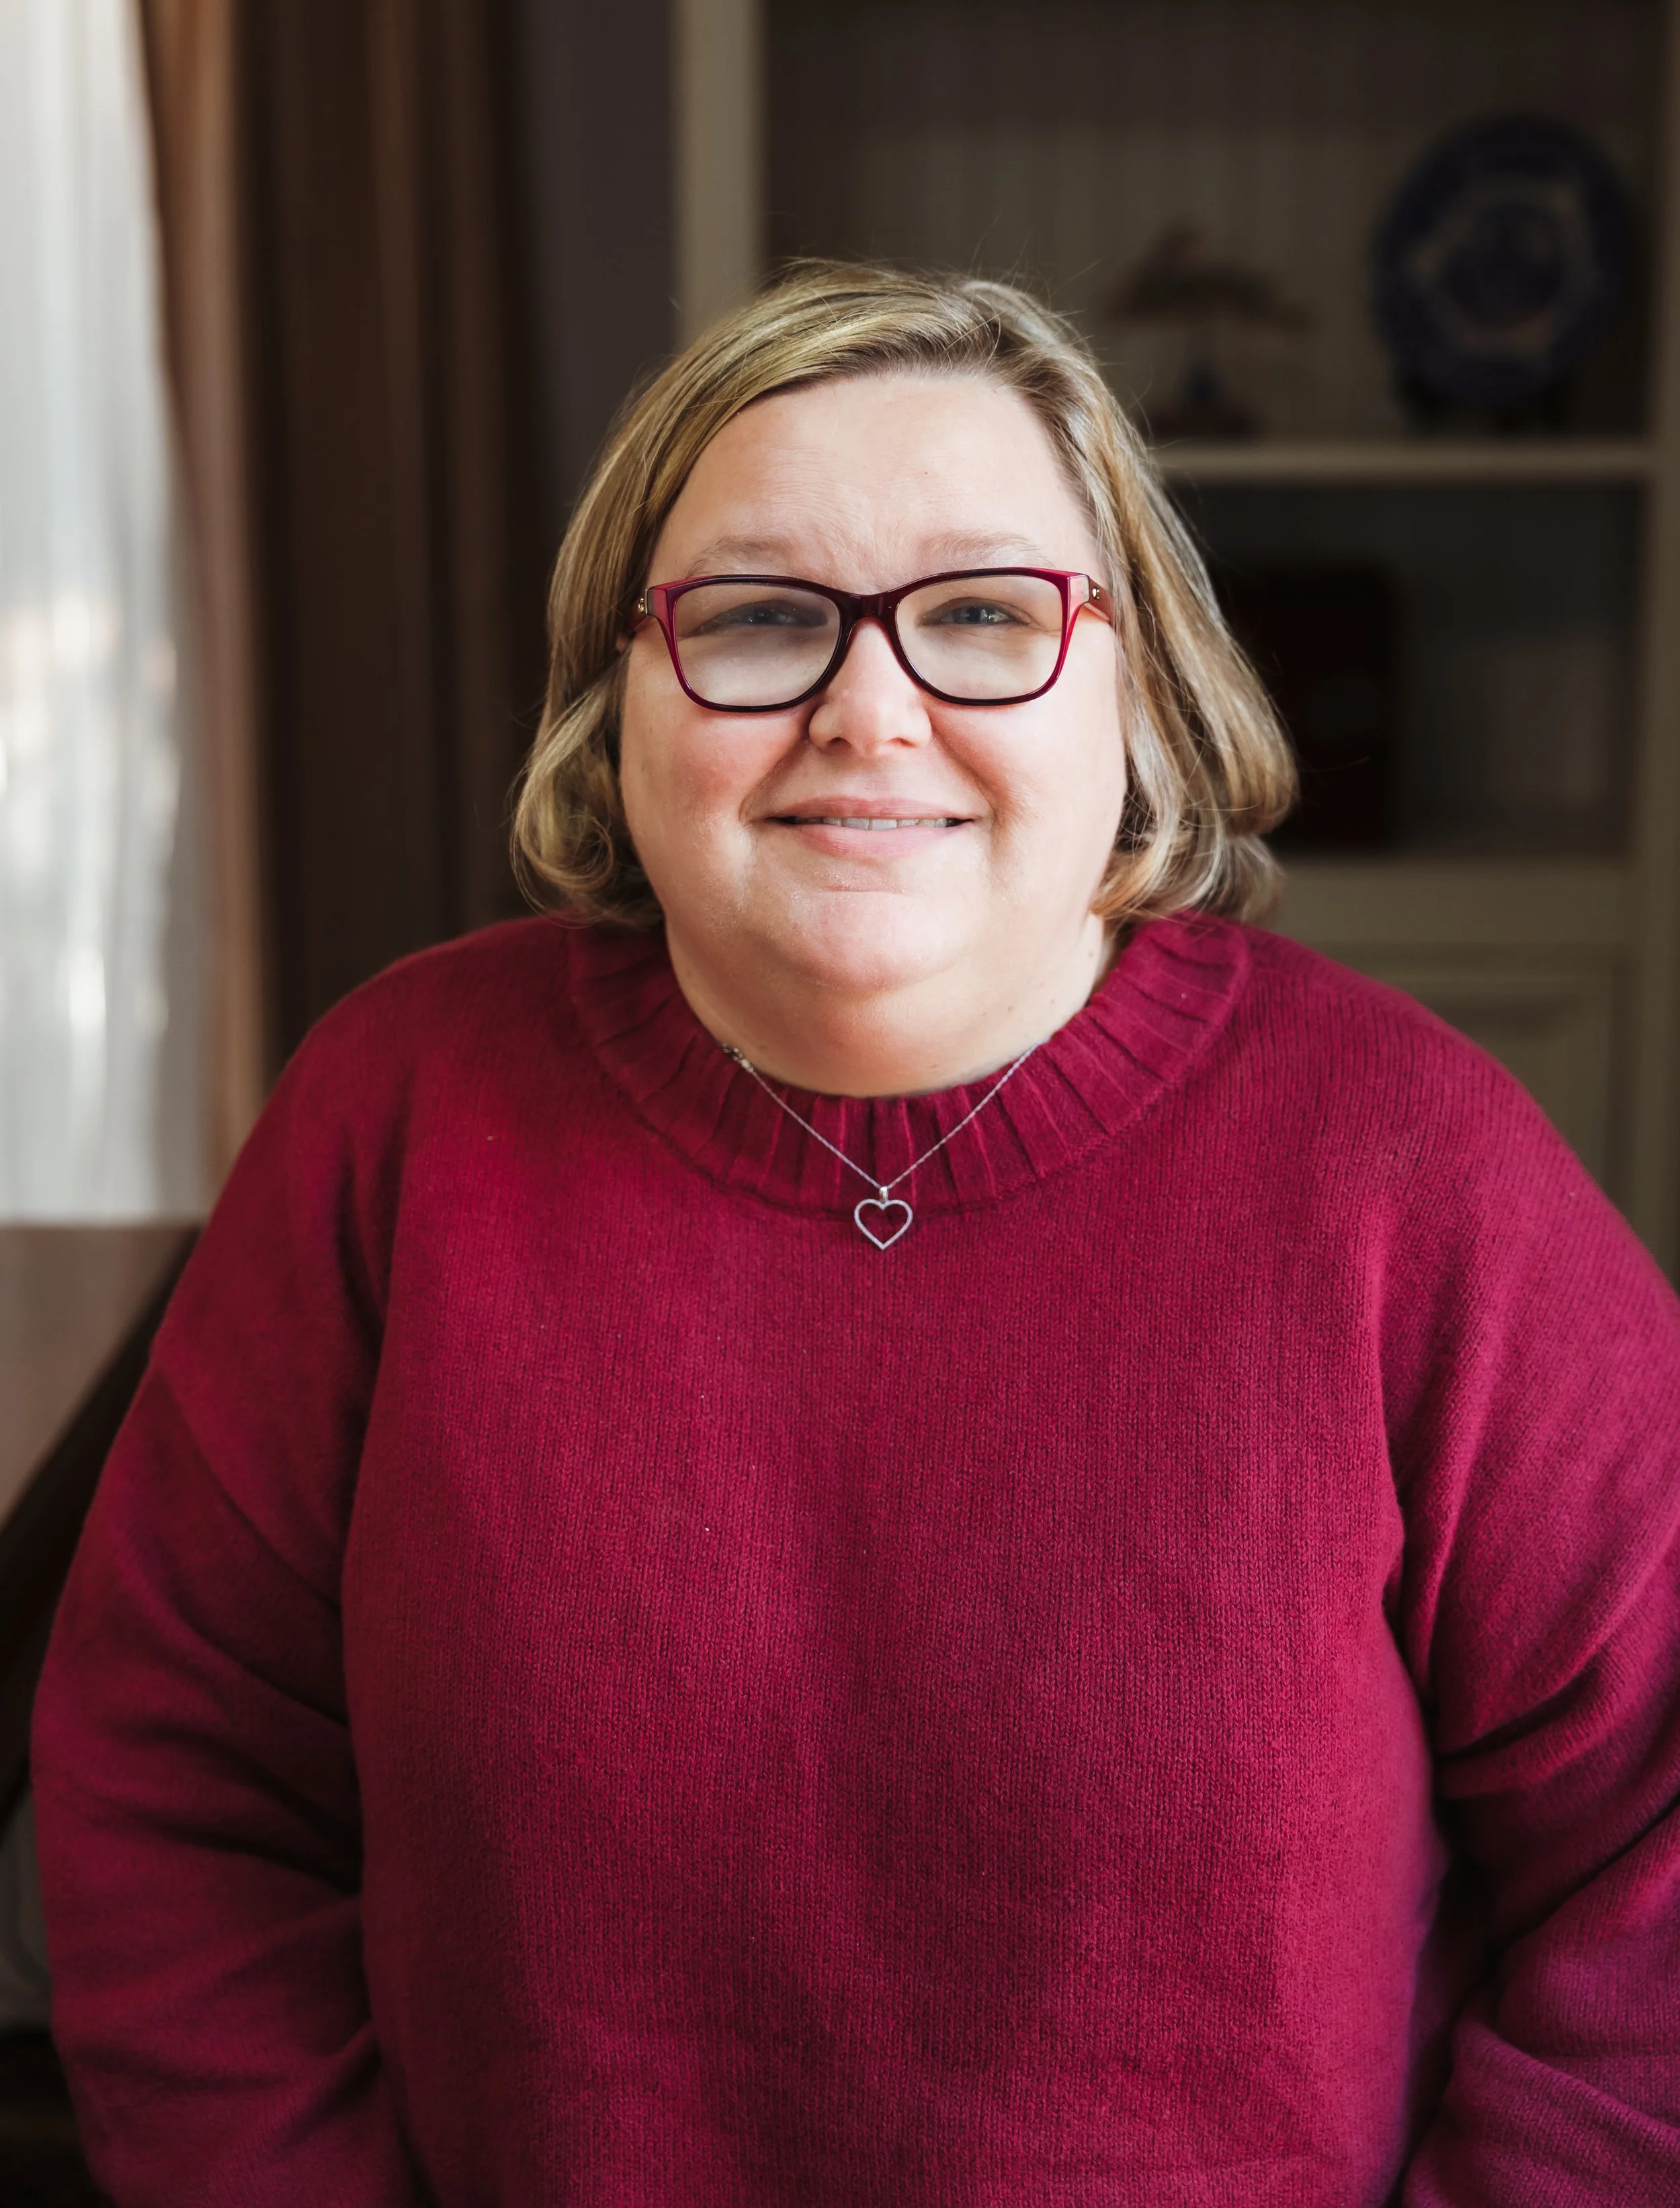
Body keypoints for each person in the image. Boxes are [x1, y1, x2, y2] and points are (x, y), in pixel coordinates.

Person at [32, 263, 1680, 2206]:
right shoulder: (394, 1116)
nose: (868, 708)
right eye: (758, 619)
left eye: (982, 614)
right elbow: (177, 1798)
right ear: (618, 695)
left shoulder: (1412, 1165)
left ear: (1133, 687)